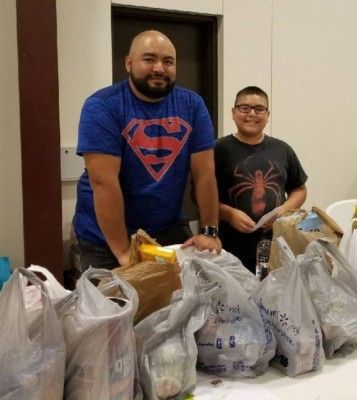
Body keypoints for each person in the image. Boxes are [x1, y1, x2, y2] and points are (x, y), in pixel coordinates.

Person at [71, 30, 222, 271]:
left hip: (167, 229)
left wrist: (209, 231)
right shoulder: (102, 106)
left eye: (168, 61)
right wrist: (123, 253)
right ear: (129, 63)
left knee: (183, 303)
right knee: (115, 307)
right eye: (149, 59)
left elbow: (204, 174)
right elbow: (103, 182)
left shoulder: (192, 104)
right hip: (105, 240)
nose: (159, 68)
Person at [214, 86, 307, 273]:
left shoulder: (282, 149)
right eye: (244, 108)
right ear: (233, 113)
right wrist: (229, 214)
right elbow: (199, 198)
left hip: (274, 243)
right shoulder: (218, 149)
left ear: (267, 114)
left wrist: (283, 211)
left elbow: (299, 189)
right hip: (229, 244)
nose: (252, 114)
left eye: (259, 109)